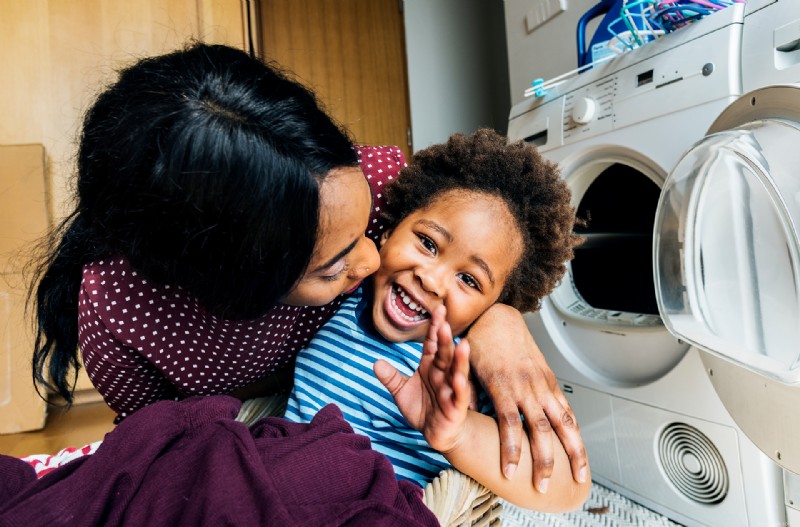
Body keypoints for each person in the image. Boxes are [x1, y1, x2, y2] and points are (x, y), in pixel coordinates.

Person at [29, 42, 587, 490]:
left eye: (370, 228)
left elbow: (482, 251)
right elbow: (173, 456)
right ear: (240, 289)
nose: (372, 259)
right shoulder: (123, 317)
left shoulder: (380, 186)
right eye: (334, 263)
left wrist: (500, 322)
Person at [285, 129, 591, 510]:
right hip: (281, 480)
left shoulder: (464, 367)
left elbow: (569, 488)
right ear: (390, 229)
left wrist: (459, 432)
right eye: (428, 243)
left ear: (494, 306)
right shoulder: (350, 289)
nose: (430, 279)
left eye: (469, 280)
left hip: (371, 509)